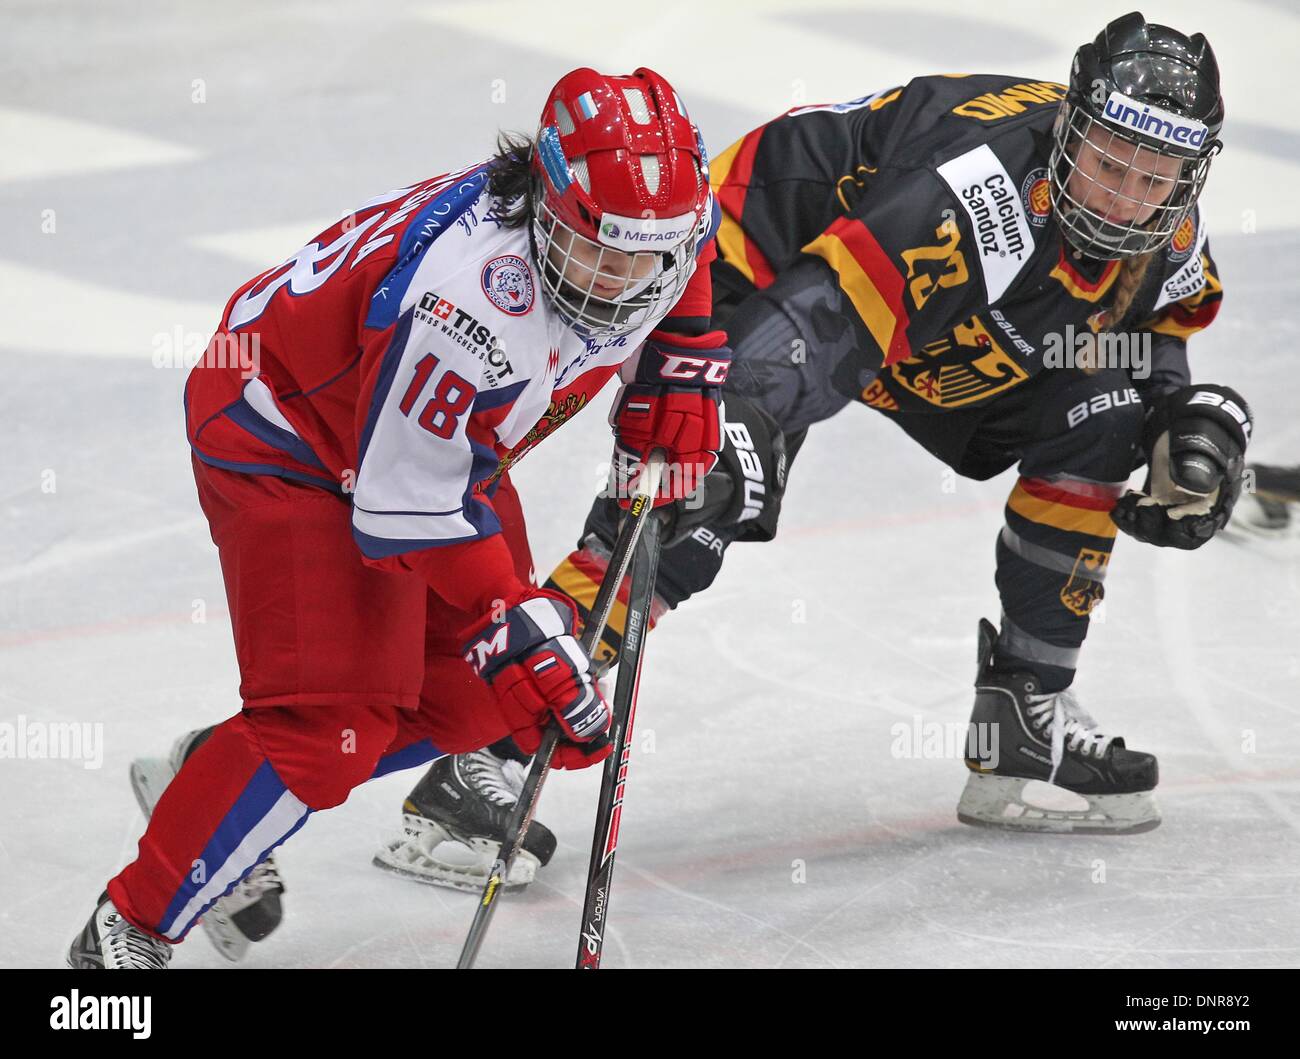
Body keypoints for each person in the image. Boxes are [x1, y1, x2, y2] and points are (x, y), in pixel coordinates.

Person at [386, 10, 1251, 886]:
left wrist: (1183, 427)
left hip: (923, 322)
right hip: (743, 273)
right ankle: (481, 752)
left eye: (1157, 175)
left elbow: (1149, 337)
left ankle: (1023, 714)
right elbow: (822, 325)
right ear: (1071, 128)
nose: (1125, 196)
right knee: (687, 516)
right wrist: (733, 434)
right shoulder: (972, 200)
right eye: (1109, 163)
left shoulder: (1164, 220)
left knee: (1103, 412)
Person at [68, 66, 729, 968]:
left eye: (644, 256)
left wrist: (685, 347)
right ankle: (127, 929)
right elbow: (405, 504)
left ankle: (217, 777)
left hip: (432, 442)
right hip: (285, 430)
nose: (621, 281)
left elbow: (690, 251)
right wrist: (514, 615)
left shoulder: (655, 231)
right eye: (596, 251)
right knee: (324, 732)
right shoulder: (469, 302)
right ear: (545, 201)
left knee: (470, 694)